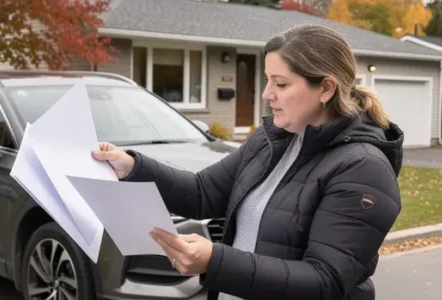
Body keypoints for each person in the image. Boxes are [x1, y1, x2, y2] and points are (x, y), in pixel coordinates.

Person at [91, 23, 404, 300]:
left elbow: (325, 281)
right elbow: (202, 192)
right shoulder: (271, 141)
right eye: (267, 80)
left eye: (281, 84)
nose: (267, 93)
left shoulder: (363, 168)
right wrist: (133, 166)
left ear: (325, 88)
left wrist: (215, 261)